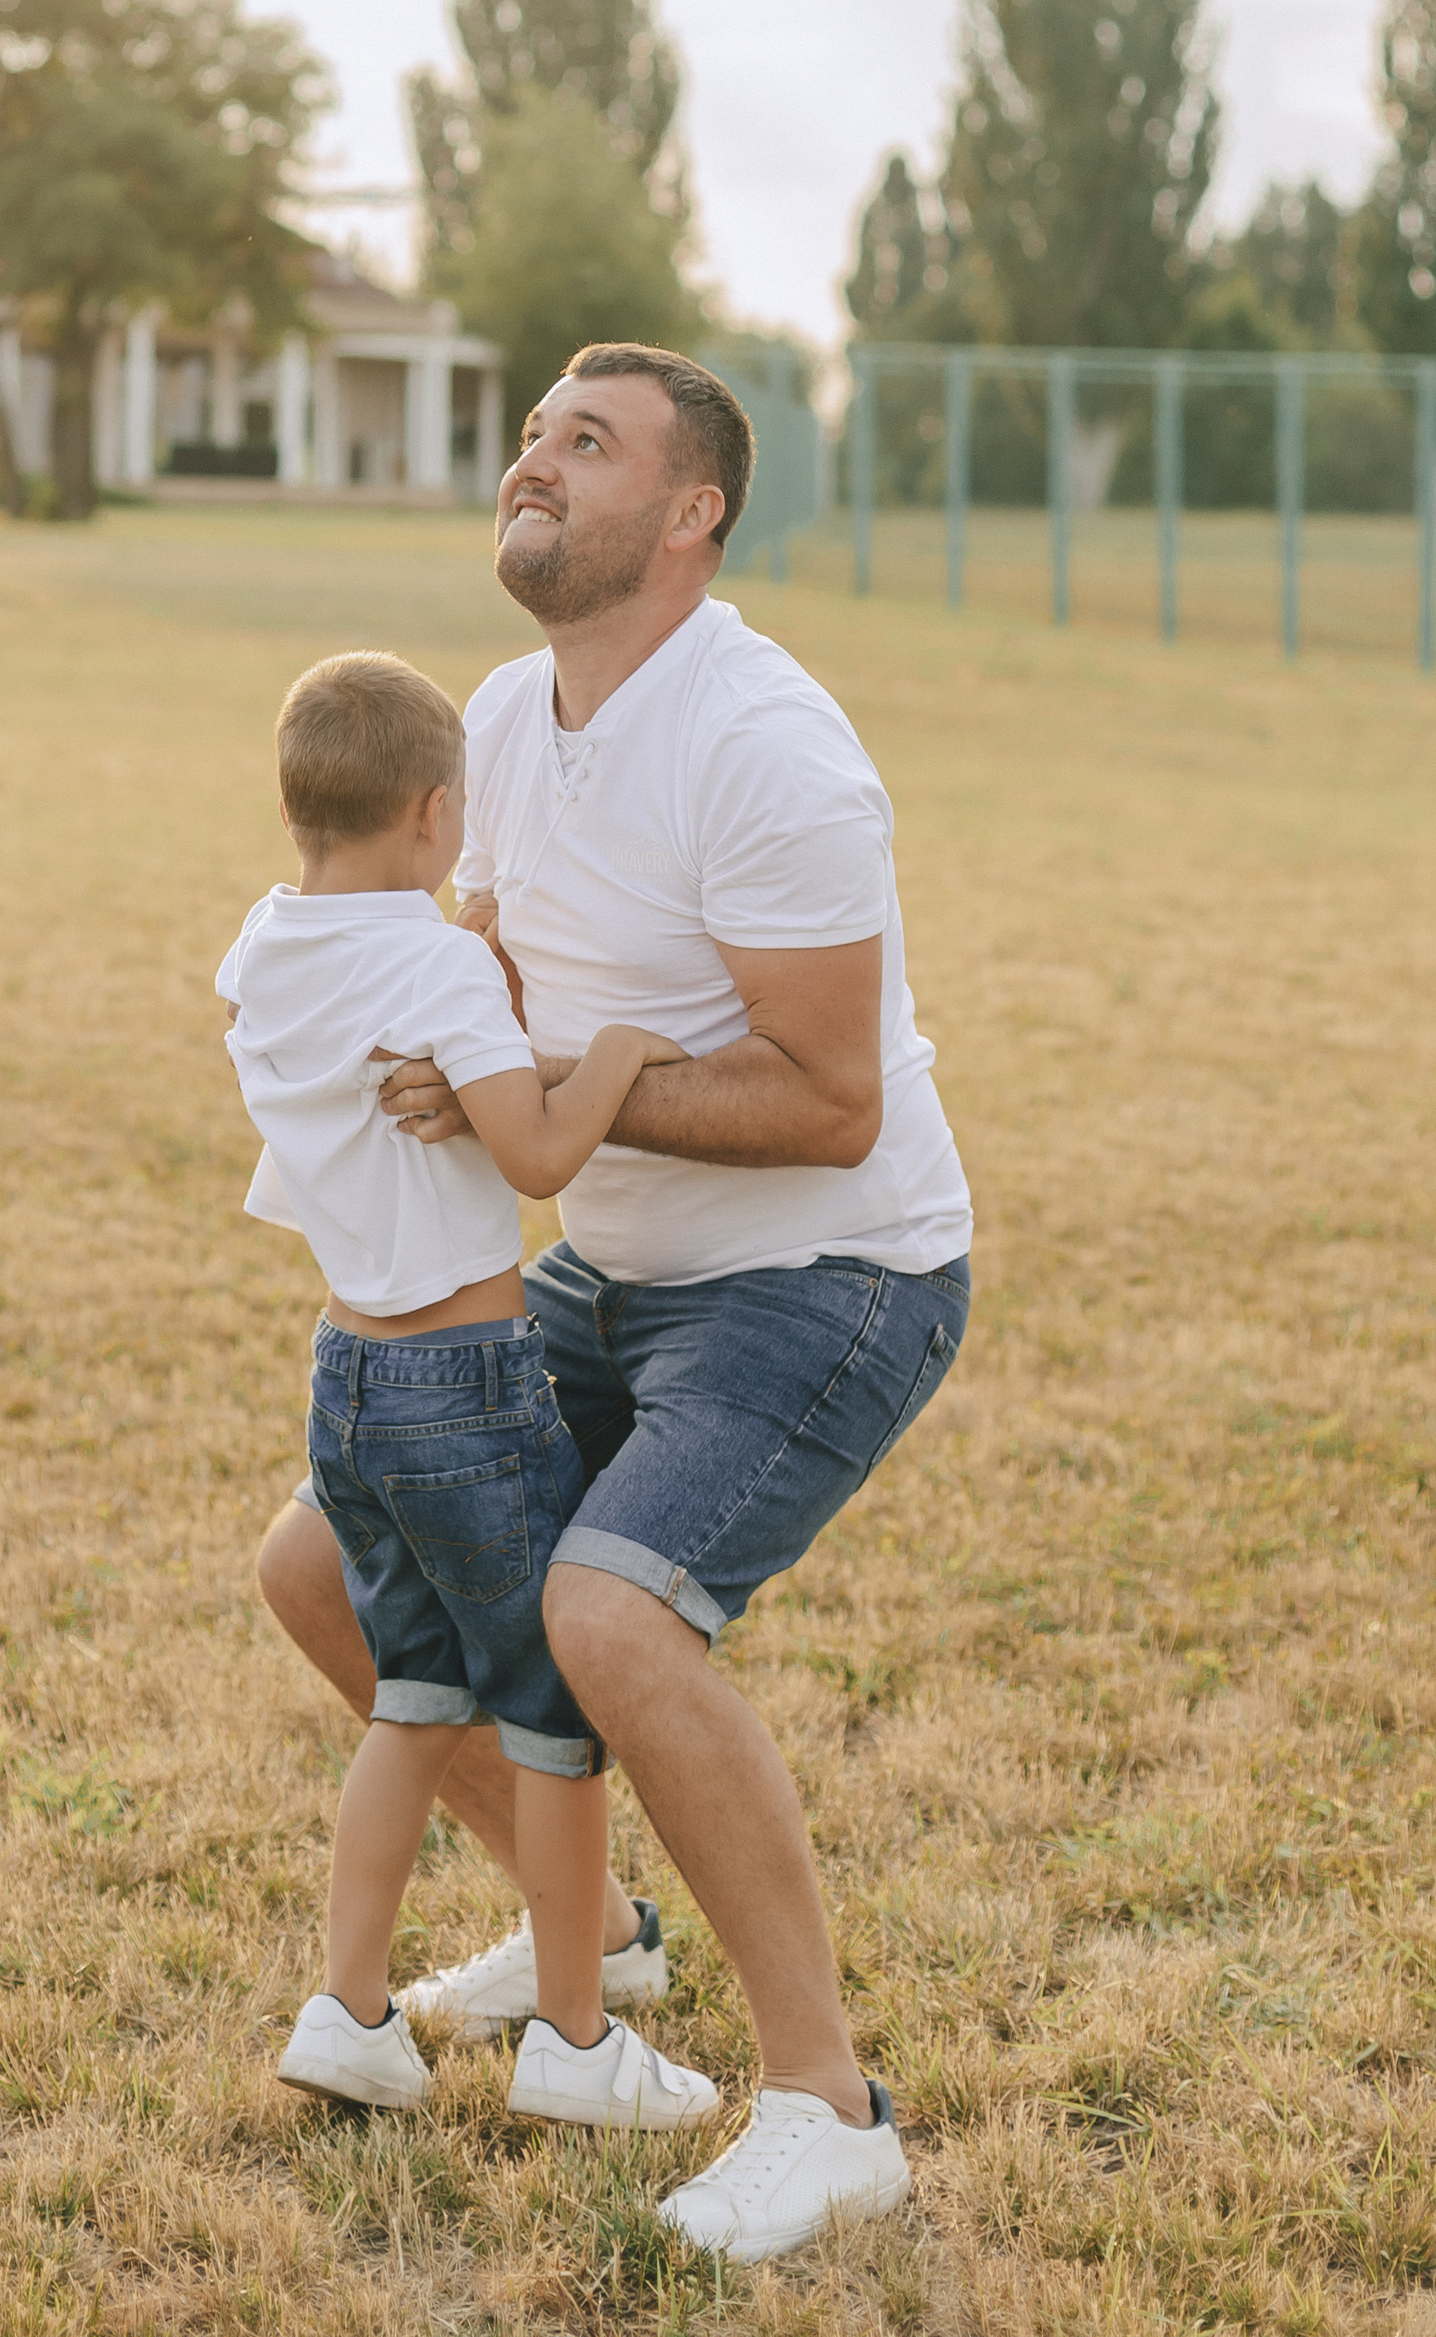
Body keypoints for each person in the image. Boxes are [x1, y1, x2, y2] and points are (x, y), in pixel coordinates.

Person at [255, 344, 972, 2266]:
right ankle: (601, 1946)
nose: (533, 461)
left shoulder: (770, 749)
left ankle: (828, 2108)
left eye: (589, 443)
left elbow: (832, 1104)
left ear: (689, 516)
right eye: (536, 435)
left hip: (830, 1274)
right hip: (616, 1267)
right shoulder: (501, 708)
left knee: (607, 1609)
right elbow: (465, 950)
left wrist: (555, 1096)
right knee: (322, 1567)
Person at [221, 645, 722, 2134]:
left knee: (416, 1701)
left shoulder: (262, 945)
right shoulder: (435, 963)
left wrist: (470, 967)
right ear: (440, 816)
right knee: (550, 1720)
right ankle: (577, 2044)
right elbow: (541, 1157)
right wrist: (622, 1050)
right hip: (471, 1383)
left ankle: (351, 2010)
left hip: (352, 1381)